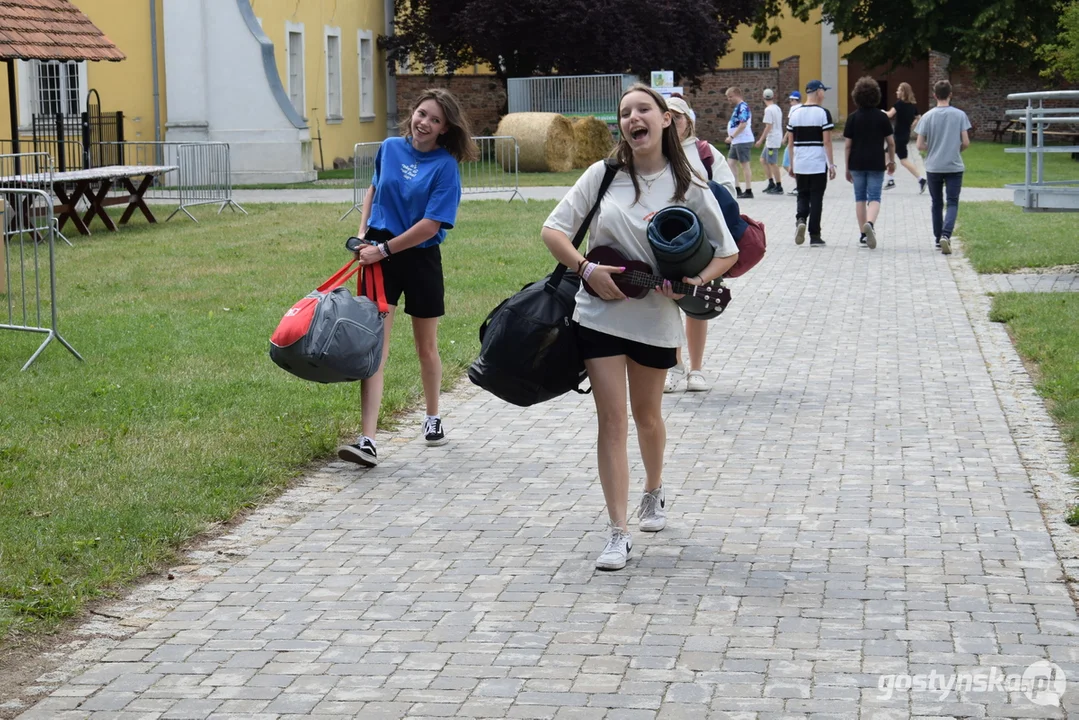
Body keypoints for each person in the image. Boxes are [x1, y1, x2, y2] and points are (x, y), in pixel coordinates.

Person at [541, 84, 739, 571]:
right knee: (611, 421)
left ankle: (654, 490)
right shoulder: (603, 174)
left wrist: (694, 280)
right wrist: (585, 269)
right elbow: (553, 230)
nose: (633, 118)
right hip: (597, 312)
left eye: (643, 109)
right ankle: (617, 531)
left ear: (666, 119)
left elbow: (727, 250)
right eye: (625, 112)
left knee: (646, 416)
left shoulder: (688, 183)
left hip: (654, 317)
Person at [337, 88, 478, 467]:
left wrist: (383, 249)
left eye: (434, 119)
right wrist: (364, 234)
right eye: (421, 113)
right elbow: (373, 189)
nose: (424, 123)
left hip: (419, 256)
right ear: (411, 113)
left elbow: (431, 225)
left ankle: (433, 417)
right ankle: (367, 439)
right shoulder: (389, 147)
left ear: (445, 128)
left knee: (425, 346)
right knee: (374, 348)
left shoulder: (446, 167)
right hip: (378, 255)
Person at [663, 95, 737, 394]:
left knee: (697, 302)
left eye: (677, 117)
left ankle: (696, 369)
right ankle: (673, 366)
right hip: (665, 242)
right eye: (666, 117)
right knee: (667, 303)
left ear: (688, 122)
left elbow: (728, 191)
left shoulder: (704, 152)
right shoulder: (653, 152)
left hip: (702, 245)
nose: (672, 123)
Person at [917, 80, 971, 255]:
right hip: (954, 165)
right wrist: (955, 149)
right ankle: (946, 235)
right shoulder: (960, 115)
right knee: (953, 202)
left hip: (933, 166)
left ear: (934, 95)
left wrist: (932, 148)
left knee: (936, 203)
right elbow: (966, 142)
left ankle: (937, 237)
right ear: (951, 94)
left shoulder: (927, 116)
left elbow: (919, 145)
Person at [843, 76, 896, 249]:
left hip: (856, 163)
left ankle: (863, 235)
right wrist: (891, 161)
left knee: (859, 198)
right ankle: (871, 224)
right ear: (876, 95)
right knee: (874, 197)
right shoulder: (882, 117)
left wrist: (846, 167)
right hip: (876, 162)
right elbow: (891, 142)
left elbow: (847, 146)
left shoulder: (852, 118)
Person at [786, 80, 836, 247]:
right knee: (816, 198)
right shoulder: (823, 113)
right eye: (823, 91)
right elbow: (827, 142)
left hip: (800, 161)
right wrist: (831, 164)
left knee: (802, 194)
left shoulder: (795, 113)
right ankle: (814, 235)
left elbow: (790, 143)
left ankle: (801, 219)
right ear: (818, 92)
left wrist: (792, 164)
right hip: (817, 162)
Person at [885, 82, 927, 193]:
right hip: (905, 136)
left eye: (899, 90)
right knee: (903, 160)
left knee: (886, 156)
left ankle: (890, 180)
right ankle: (921, 179)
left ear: (903, 92)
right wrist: (912, 125)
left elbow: (889, 115)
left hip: (898, 137)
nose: (897, 92)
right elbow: (919, 118)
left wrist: (879, 112)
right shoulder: (913, 106)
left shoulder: (899, 104)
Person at [724, 86, 755, 198]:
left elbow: (743, 124)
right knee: (731, 163)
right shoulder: (738, 107)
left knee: (744, 165)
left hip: (742, 140)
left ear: (737, 94)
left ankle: (748, 189)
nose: (729, 99)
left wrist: (732, 136)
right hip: (737, 141)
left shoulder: (743, 107)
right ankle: (736, 188)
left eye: (730, 96)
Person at [756, 88, 785, 194]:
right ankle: (771, 182)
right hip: (773, 138)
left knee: (772, 162)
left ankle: (779, 186)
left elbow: (768, 126)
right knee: (763, 160)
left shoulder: (768, 110)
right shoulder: (777, 108)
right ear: (773, 97)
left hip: (772, 140)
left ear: (763, 98)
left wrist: (760, 140)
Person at [783, 91, 802, 195]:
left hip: (793, 140)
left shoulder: (793, 109)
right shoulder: (803, 108)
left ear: (795, 100)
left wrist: (785, 137)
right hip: (800, 139)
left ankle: (799, 185)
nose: (790, 102)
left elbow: (790, 126)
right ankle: (799, 185)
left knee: (786, 163)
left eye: (791, 100)